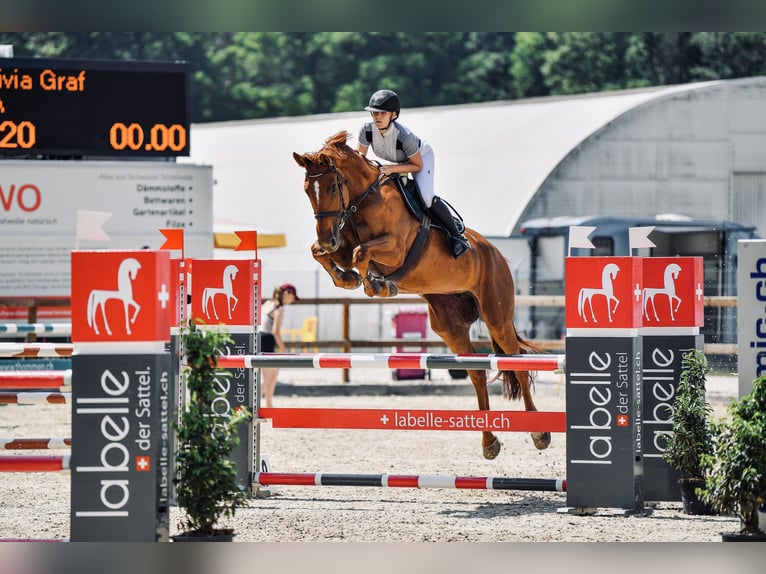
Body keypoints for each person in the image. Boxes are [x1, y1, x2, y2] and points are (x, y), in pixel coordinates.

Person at [357, 88, 470, 258]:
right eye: (374, 113)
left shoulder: (403, 136)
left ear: (394, 115)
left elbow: (417, 165)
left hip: (420, 158)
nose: (377, 117)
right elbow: (360, 160)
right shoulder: (366, 130)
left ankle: (457, 237)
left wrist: (392, 169)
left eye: (382, 113)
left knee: (426, 197)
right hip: (394, 162)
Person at [258, 283, 299, 408]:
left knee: (273, 374)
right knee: (267, 377)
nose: (292, 300)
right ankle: (251, 405)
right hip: (267, 339)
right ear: (287, 293)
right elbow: (275, 331)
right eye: (292, 297)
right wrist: (284, 349)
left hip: (259, 337)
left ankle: (269, 405)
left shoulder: (267, 304)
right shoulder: (279, 309)